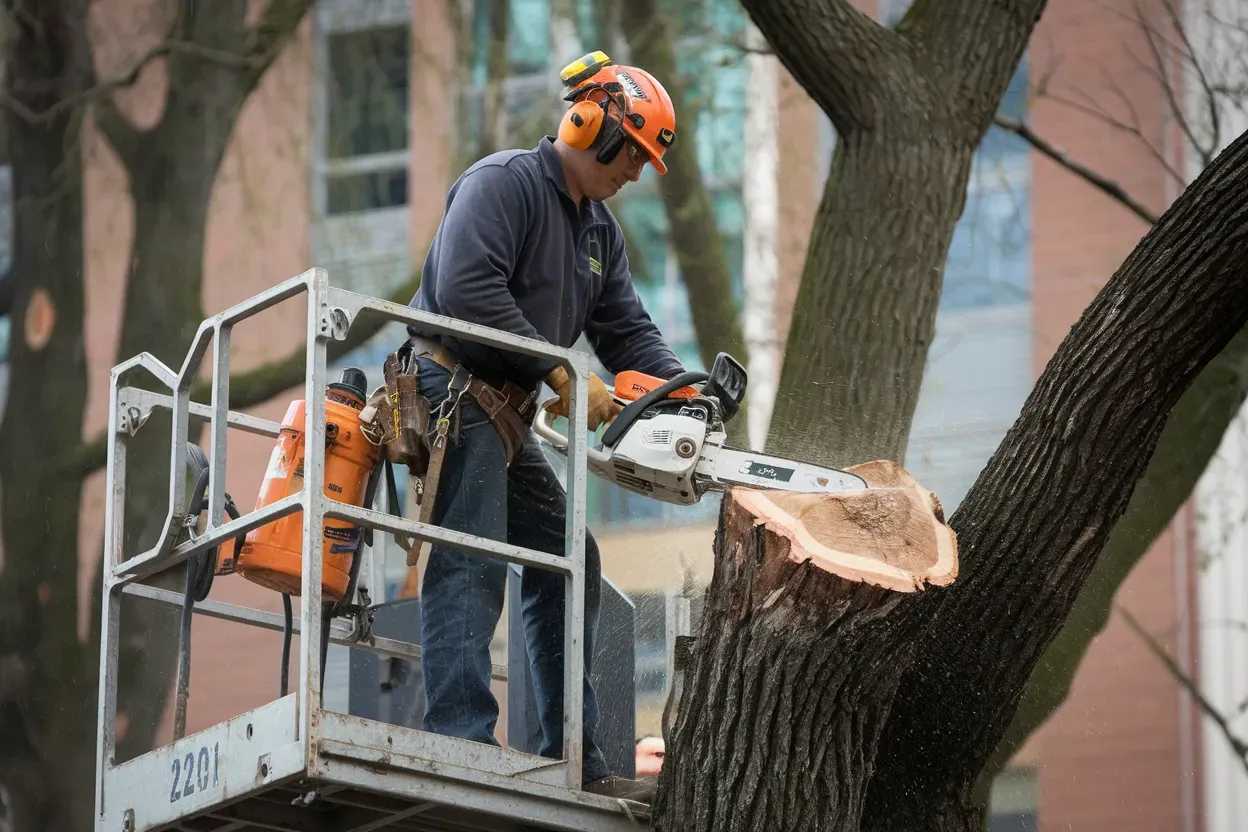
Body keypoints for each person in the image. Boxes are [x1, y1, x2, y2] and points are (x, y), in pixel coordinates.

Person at [402, 51, 683, 803]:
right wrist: (562, 373)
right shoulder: (504, 185)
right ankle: (461, 739)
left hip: (505, 411)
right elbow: (466, 288)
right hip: (452, 386)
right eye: (632, 155)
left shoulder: (599, 236)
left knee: (571, 557)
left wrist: (682, 392)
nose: (634, 173)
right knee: (474, 551)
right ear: (590, 125)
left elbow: (629, 333)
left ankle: (575, 756)